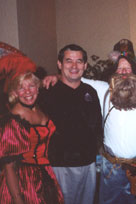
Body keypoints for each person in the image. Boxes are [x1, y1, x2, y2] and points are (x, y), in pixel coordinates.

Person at [81, 55, 136, 204]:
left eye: (127, 68)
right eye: (120, 68)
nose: (123, 71)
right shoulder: (102, 90)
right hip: (111, 168)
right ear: (113, 74)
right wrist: (55, 77)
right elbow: (75, 78)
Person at [0, 57, 64, 203]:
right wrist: (18, 199)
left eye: (31, 86)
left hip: (46, 175)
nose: (27, 92)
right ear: (15, 92)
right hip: (23, 181)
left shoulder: (39, 108)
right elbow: (9, 167)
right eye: (21, 88)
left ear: (38, 87)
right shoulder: (13, 121)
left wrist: (57, 76)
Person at [38, 44, 103, 204]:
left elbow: (96, 126)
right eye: (69, 61)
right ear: (59, 64)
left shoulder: (90, 91)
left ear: (85, 66)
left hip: (88, 163)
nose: (74, 66)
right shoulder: (47, 91)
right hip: (60, 165)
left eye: (79, 61)